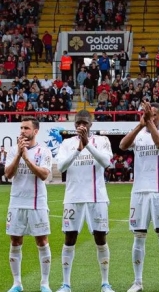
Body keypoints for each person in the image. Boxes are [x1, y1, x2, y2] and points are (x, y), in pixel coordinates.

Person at [119, 101, 159, 292]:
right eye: (148, 114)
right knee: (138, 237)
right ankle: (137, 282)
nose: (150, 117)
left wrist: (150, 125)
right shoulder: (139, 134)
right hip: (138, 192)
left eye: (153, 114)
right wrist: (140, 124)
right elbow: (122, 145)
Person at [54, 110, 115, 292]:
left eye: (85, 122)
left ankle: (105, 282)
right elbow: (62, 167)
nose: (82, 125)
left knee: (100, 237)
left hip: (97, 197)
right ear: (74, 125)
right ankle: (66, 284)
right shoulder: (66, 143)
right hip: (73, 197)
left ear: (91, 124)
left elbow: (106, 162)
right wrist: (78, 149)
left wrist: (87, 144)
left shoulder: (102, 141)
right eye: (79, 122)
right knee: (70, 237)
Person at [5, 117, 54, 292]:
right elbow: (8, 175)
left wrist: (27, 158)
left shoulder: (44, 151)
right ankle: (17, 283)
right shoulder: (13, 150)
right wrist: (19, 154)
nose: (22, 131)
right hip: (16, 202)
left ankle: (44, 283)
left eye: (26, 128)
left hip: (37, 202)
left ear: (35, 131)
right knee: (15, 241)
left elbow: (43, 175)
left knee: (42, 240)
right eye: (21, 128)